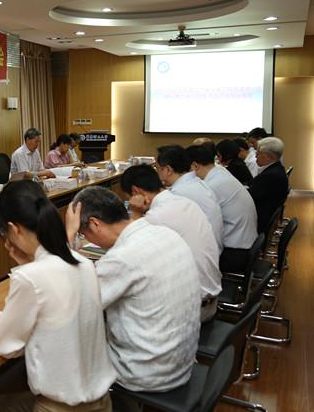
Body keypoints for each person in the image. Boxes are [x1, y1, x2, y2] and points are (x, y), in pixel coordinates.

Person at [0, 181, 116, 412]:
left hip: (59, 407)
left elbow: (4, 346)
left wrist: (26, 268)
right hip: (103, 402)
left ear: (14, 229)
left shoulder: (29, 277)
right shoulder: (84, 263)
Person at [65, 186, 200, 393]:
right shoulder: (166, 233)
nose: (86, 242)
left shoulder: (121, 258)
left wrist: (68, 237)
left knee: (66, 340)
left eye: (83, 235)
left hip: (147, 374)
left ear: (95, 223)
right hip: (182, 361)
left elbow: (74, 305)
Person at [120, 165, 222, 322]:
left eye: (129, 199)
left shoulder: (156, 216)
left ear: (136, 191)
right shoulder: (186, 202)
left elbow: (128, 251)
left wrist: (136, 213)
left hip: (189, 312)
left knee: (119, 303)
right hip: (209, 300)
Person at [186, 145, 259, 272]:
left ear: (195, 166)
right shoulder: (220, 174)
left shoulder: (211, 186)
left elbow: (203, 226)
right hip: (246, 246)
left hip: (234, 253)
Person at [155, 144, 224, 252]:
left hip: (199, 254)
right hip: (212, 250)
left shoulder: (178, 193)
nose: (157, 172)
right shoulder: (197, 183)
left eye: (157, 168)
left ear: (168, 170)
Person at [247, 137, 290, 234]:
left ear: (269, 156)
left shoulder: (272, 175)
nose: (255, 156)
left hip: (259, 220)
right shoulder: (275, 168)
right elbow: (252, 184)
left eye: (258, 153)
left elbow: (250, 195)